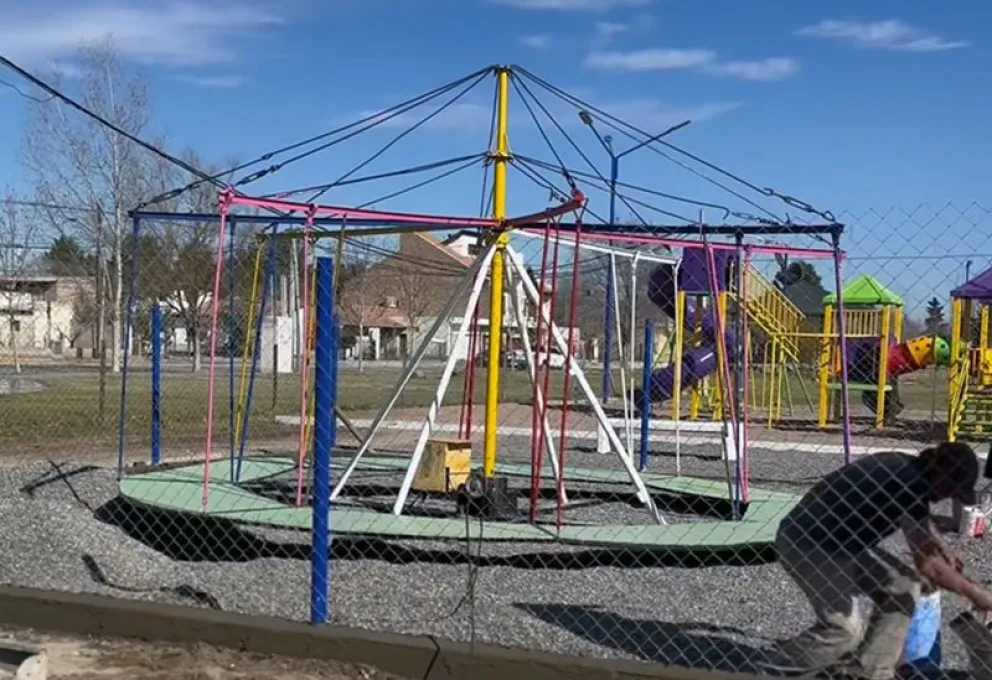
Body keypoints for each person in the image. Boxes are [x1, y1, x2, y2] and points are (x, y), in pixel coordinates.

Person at [773, 442, 992, 679]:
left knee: (904, 585)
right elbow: (928, 565)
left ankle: (870, 672)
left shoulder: (910, 469)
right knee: (844, 630)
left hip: (841, 546)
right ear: (940, 469)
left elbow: (922, 524)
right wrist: (977, 594)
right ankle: (771, 670)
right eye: (950, 488)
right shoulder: (908, 481)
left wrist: (945, 550)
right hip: (807, 543)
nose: (946, 497)